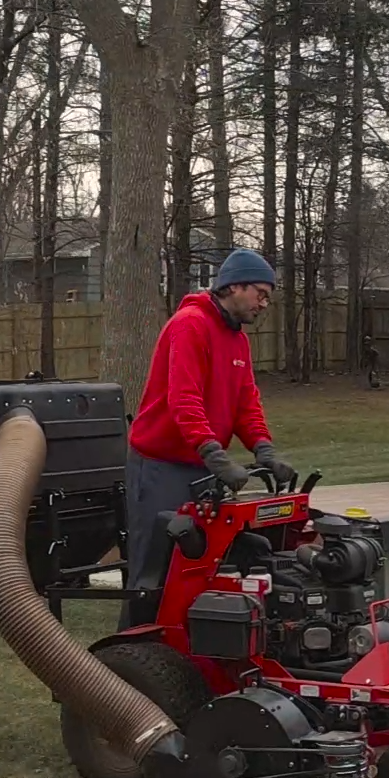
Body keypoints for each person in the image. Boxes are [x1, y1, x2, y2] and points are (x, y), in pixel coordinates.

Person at [118, 248, 295, 626]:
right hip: (161, 465)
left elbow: (246, 403)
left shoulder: (238, 341)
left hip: (201, 467)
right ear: (234, 286)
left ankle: (184, 655)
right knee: (154, 571)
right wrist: (215, 455)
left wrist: (264, 450)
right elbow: (185, 399)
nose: (264, 303)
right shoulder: (190, 325)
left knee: (198, 566)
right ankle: (130, 658)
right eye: (260, 293)